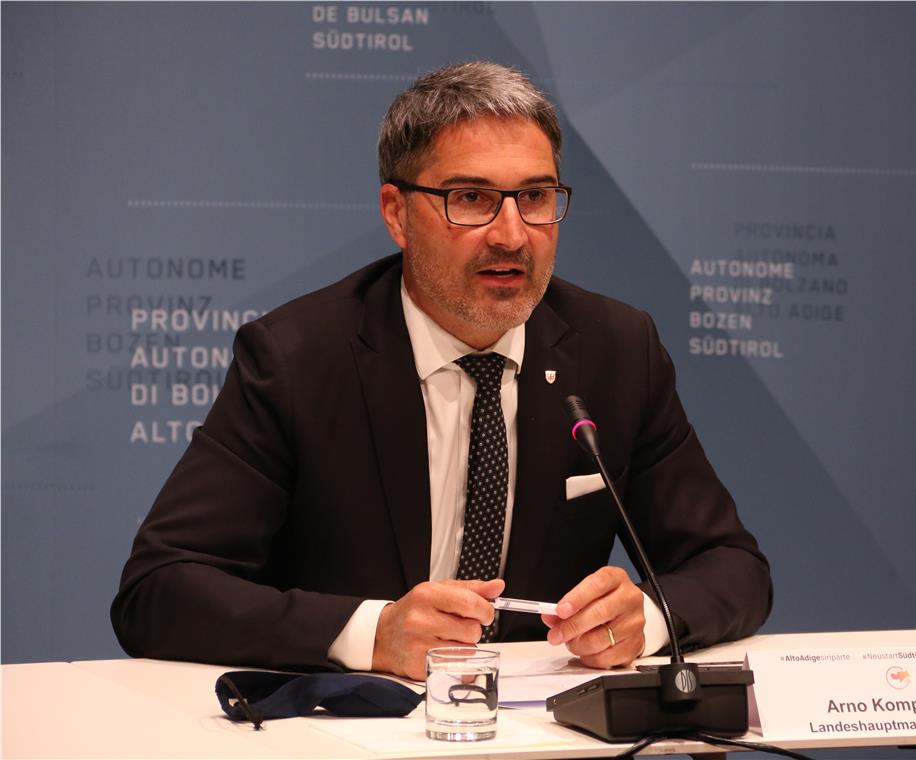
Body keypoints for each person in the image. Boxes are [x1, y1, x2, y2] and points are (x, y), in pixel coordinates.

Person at [111, 61, 772, 681]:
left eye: (535, 196)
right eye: (471, 198)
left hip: (542, 733)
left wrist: (646, 618)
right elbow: (159, 588)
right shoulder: (297, 359)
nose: (512, 234)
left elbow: (732, 567)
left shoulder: (616, 351)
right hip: (348, 729)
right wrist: (373, 634)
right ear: (397, 213)